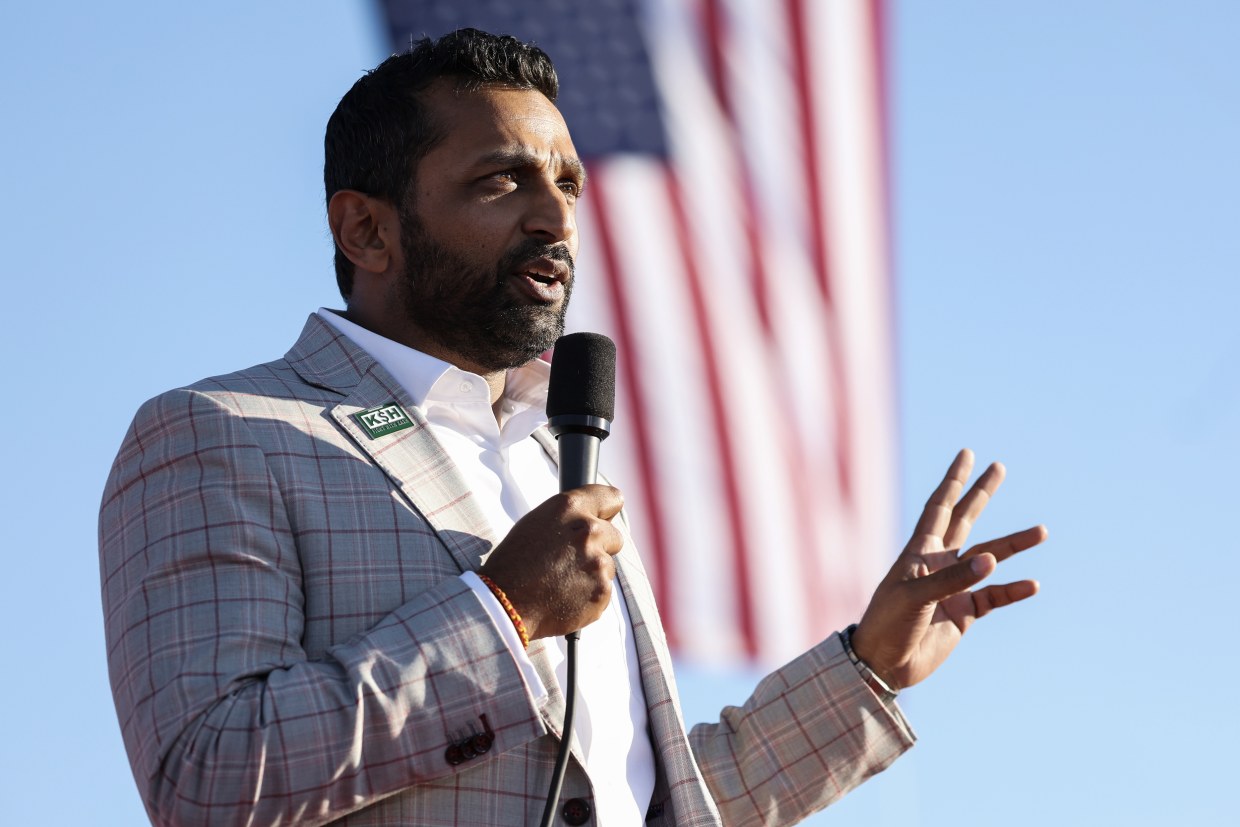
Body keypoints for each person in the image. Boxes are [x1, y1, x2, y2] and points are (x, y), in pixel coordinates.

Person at [99, 28, 1047, 827]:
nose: (556, 216)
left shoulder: (554, 455)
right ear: (367, 232)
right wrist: (502, 617)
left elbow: (637, 794)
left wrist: (866, 667)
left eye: (568, 184)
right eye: (502, 181)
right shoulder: (219, 433)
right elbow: (207, 773)